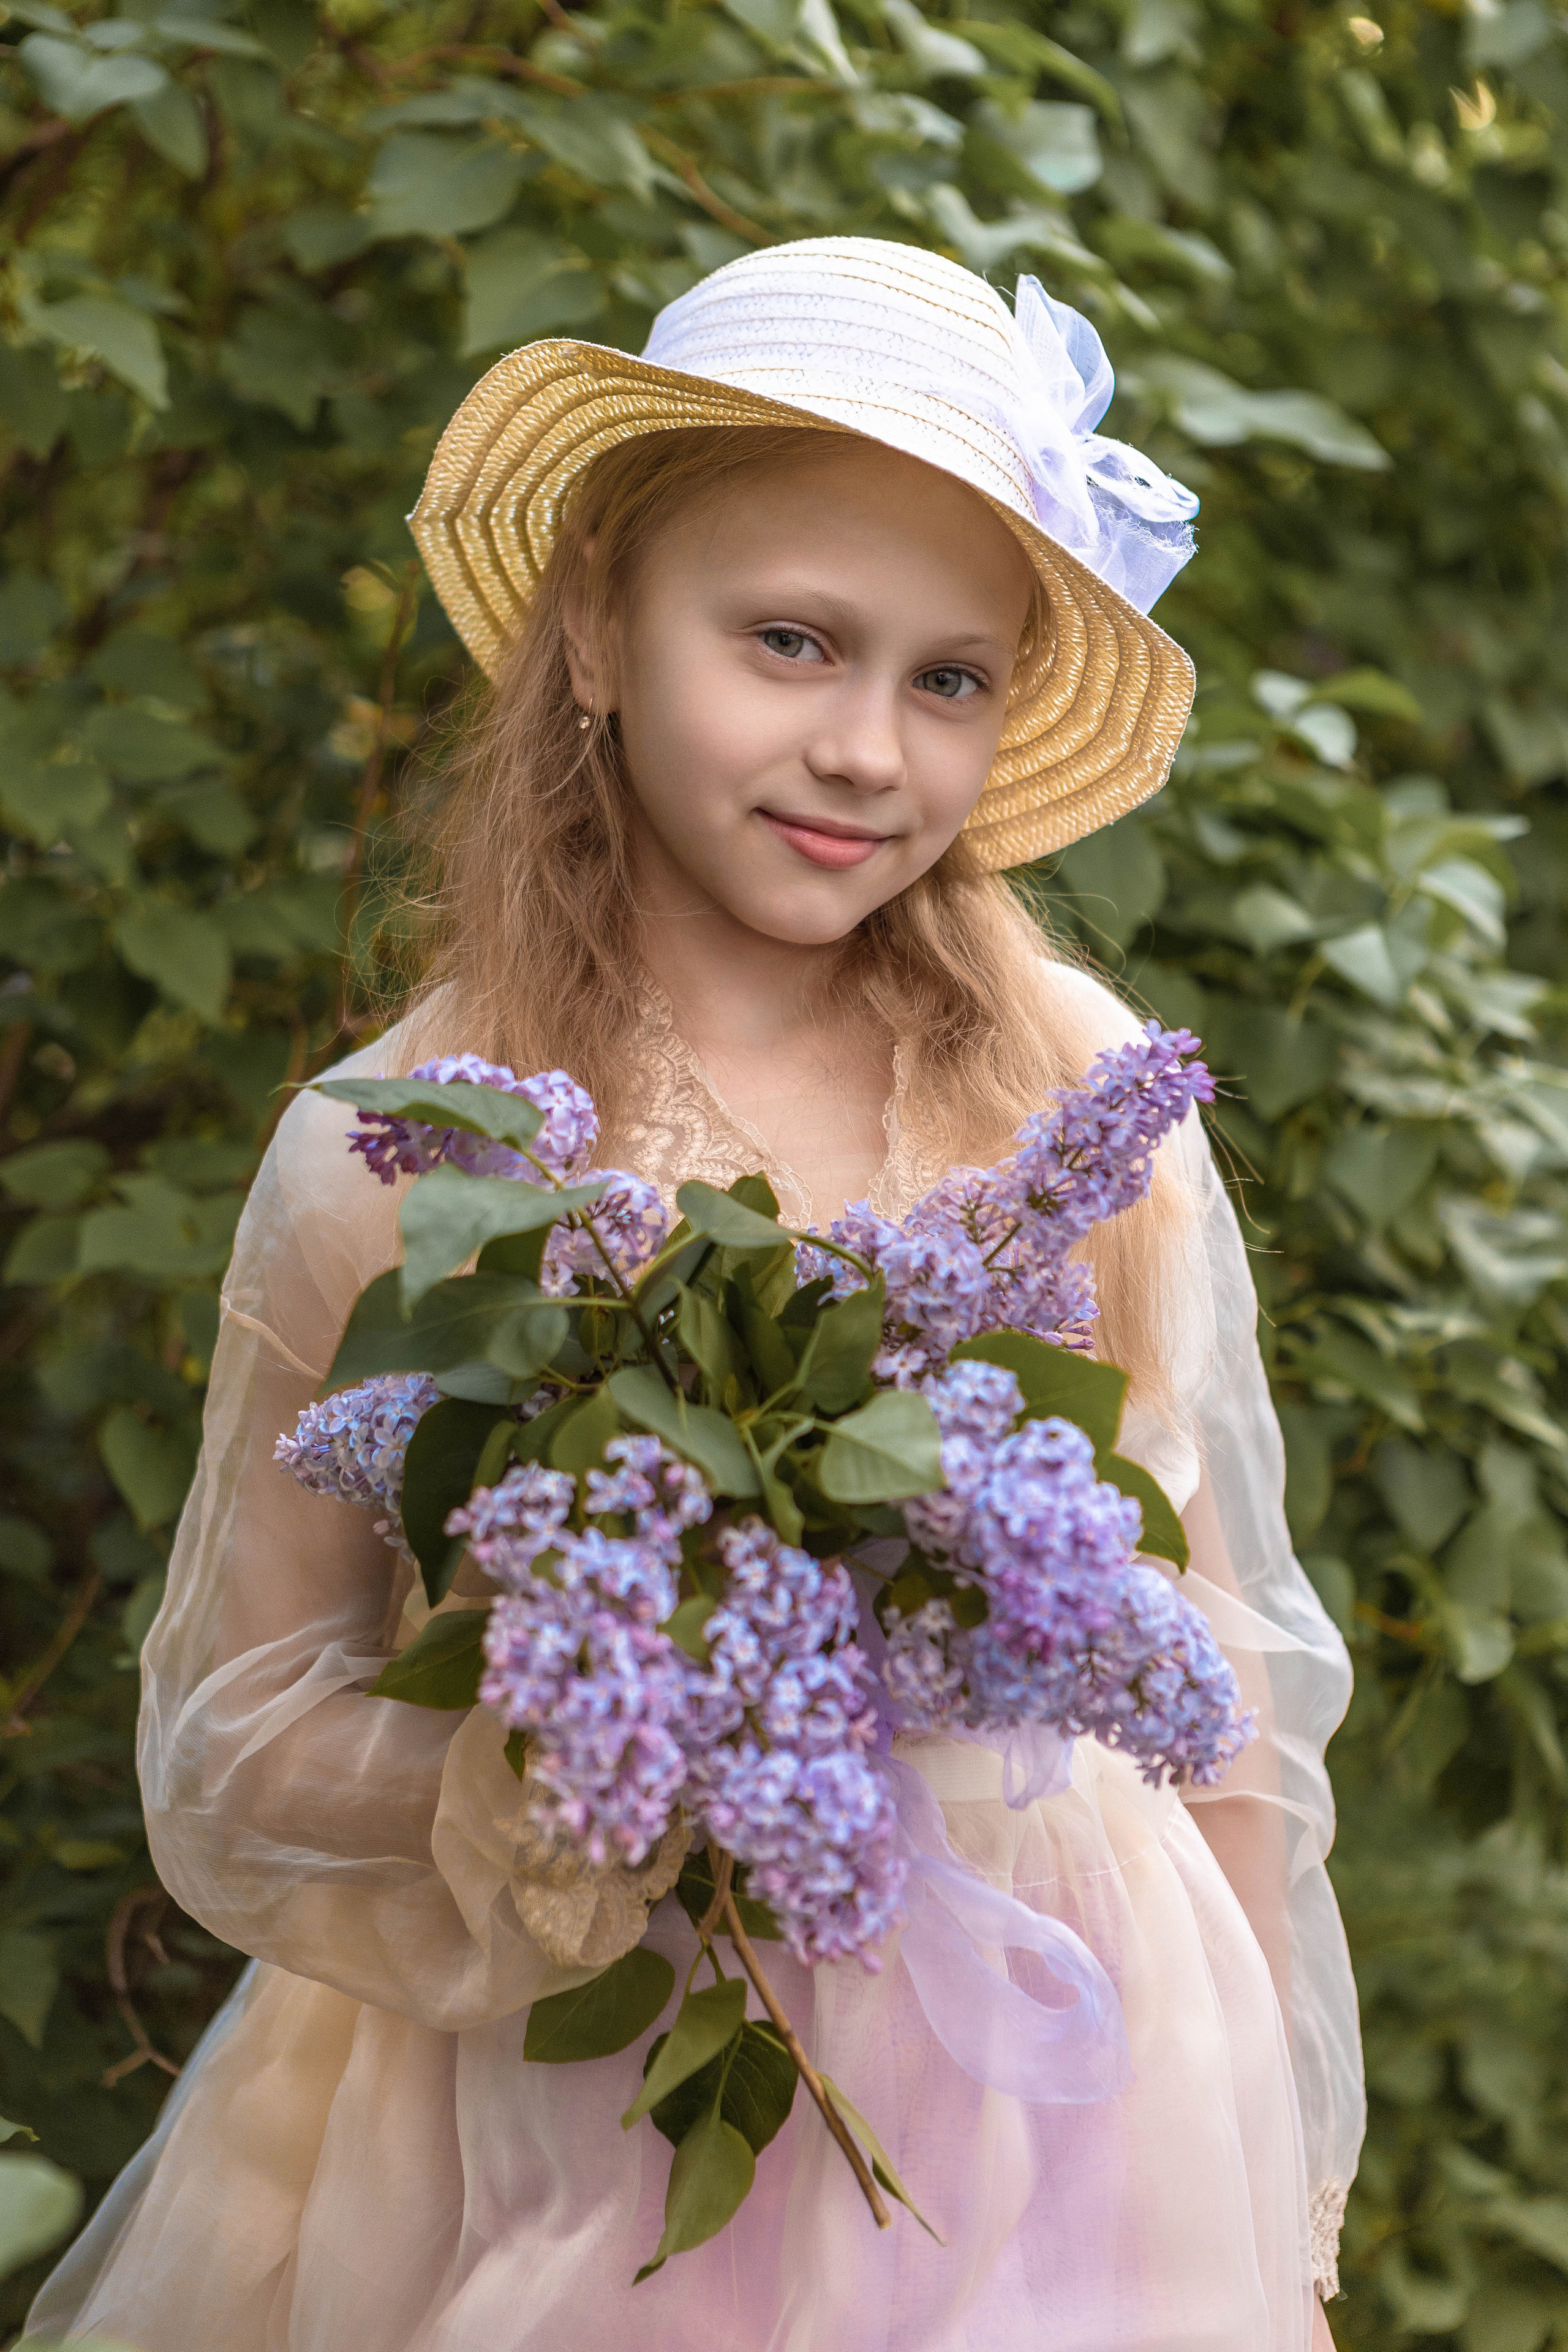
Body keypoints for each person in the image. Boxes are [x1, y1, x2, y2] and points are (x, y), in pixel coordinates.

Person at [25, 236, 1363, 2352]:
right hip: (574, 2083)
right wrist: (535, 1779)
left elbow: (1207, 1661)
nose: (863, 748)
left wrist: (1263, 2138)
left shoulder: (1076, 1104)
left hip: (1068, 2085)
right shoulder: (411, 1154)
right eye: (792, 641)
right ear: (593, 637)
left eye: (948, 678)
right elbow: (231, 1730)